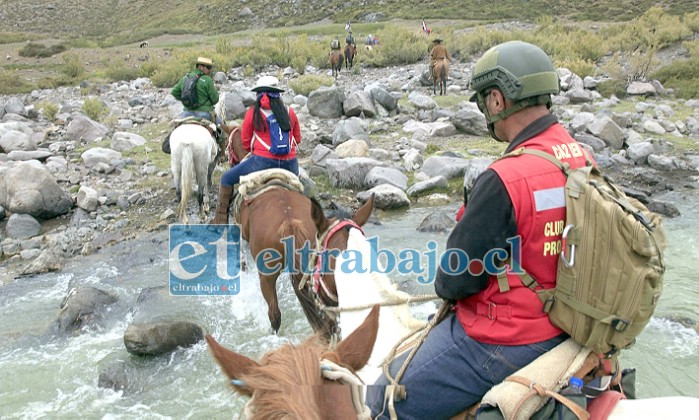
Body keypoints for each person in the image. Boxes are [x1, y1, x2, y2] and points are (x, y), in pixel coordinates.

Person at [367, 40, 591, 419]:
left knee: (381, 398)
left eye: (486, 99)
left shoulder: (505, 178)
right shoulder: (581, 155)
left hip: (509, 337)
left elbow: (454, 280)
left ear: (499, 100)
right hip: (571, 319)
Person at [212, 76, 302, 224]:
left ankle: (220, 221)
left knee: (226, 178)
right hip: (290, 165)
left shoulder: (253, 112)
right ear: (277, 93)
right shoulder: (289, 111)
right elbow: (297, 139)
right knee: (303, 187)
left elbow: (246, 142)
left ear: (258, 94)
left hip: (262, 162)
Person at [171, 56, 220, 124]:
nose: (210, 70)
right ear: (200, 67)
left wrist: (185, 100)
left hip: (186, 113)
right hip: (204, 114)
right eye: (208, 67)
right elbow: (215, 99)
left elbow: (174, 92)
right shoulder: (208, 80)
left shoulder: (185, 78)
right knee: (221, 127)